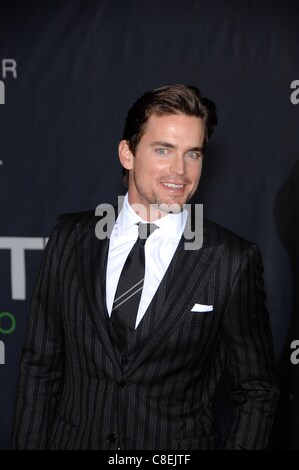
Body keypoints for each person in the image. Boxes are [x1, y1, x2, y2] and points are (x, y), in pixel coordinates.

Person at [11, 84, 278, 450]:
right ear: (127, 153)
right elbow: (39, 366)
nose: (181, 171)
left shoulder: (231, 259)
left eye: (193, 153)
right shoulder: (70, 237)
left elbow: (256, 391)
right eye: (164, 150)